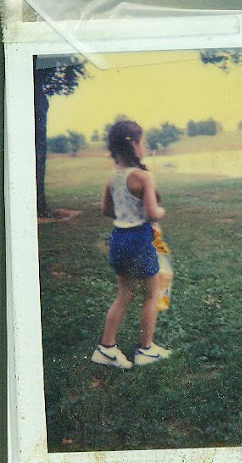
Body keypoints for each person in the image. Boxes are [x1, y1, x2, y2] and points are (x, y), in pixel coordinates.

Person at [91, 120, 171, 370]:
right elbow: (151, 213)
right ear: (135, 144)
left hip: (118, 240)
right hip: (139, 240)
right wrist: (160, 210)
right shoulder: (144, 177)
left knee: (124, 294)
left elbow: (106, 210)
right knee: (151, 295)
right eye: (143, 141)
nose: (144, 146)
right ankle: (146, 349)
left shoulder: (112, 178)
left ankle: (106, 348)